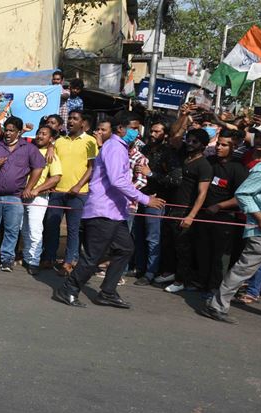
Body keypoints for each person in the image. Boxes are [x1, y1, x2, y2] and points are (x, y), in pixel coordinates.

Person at [53, 117, 165, 309]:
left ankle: (108, 292)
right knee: (93, 256)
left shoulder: (119, 147)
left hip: (115, 212)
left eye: (138, 128)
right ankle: (68, 289)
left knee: (125, 249)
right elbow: (117, 180)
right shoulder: (114, 147)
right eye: (133, 128)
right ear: (120, 128)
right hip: (103, 211)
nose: (136, 132)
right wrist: (146, 199)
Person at [0, 116, 44, 272]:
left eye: (12, 130)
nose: (8, 133)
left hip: (15, 197)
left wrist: (29, 187)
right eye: (7, 130)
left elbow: (38, 167)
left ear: (19, 132)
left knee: (11, 230)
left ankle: (7, 259)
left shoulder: (29, 148)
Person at [200, 160, 261, 324]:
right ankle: (216, 306)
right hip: (260, 233)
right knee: (242, 270)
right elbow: (243, 194)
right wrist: (260, 218)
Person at [41, 110, 97, 275]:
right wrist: (51, 146)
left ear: (82, 123)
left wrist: (79, 185)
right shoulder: (59, 141)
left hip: (78, 193)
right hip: (57, 191)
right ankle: (49, 257)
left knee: (73, 229)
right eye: (70, 118)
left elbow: (92, 167)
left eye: (75, 119)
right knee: (51, 226)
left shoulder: (90, 141)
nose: (71, 121)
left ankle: (69, 262)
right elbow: (51, 163)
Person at [193, 131, 247, 297]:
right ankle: (202, 282)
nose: (219, 147)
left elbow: (241, 197)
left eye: (224, 145)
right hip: (204, 215)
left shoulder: (238, 168)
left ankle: (215, 288)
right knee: (203, 250)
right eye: (218, 143)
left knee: (220, 257)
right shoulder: (209, 162)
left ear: (234, 147)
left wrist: (219, 206)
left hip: (225, 219)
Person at [161, 129, 212, 293]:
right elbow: (174, 135)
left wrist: (191, 216)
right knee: (169, 244)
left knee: (183, 248)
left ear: (203, 145)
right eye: (188, 140)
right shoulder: (184, 157)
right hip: (172, 208)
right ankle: (171, 273)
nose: (190, 144)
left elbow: (202, 193)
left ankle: (181, 280)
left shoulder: (204, 165)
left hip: (185, 211)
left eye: (194, 142)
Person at [133, 121, 182, 285]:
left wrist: (151, 174)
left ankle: (151, 272)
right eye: (151, 131)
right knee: (137, 235)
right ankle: (139, 267)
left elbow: (176, 179)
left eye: (157, 132)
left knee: (153, 238)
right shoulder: (145, 149)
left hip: (157, 201)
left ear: (165, 135)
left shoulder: (169, 153)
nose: (152, 134)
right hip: (140, 196)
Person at [22, 125, 62, 275]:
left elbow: (56, 177)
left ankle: (34, 261)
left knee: (35, 230)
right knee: (24, 229)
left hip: (38, 198)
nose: (40, 136)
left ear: (51, 139)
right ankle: (27, 258)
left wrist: (36, 190)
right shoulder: (29, 149)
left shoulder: (51, 155)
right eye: (38, 133)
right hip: (21, 195)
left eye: (44, 134)